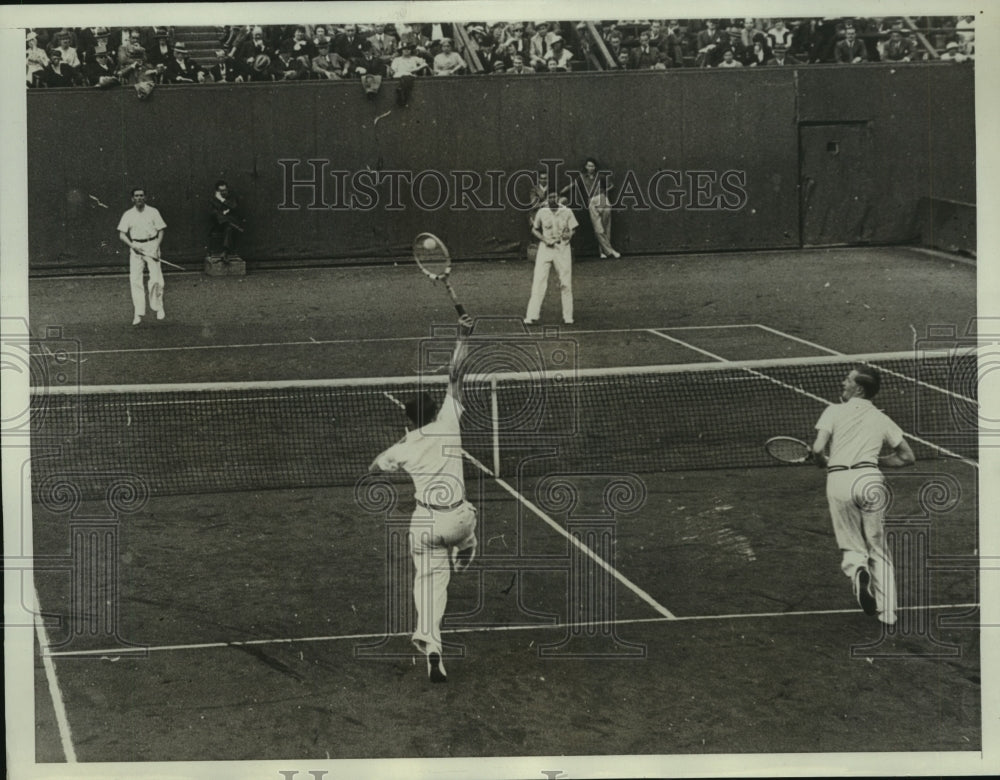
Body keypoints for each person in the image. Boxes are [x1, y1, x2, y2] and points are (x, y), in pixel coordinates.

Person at [369, 314, 478, 683]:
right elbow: (456, 376)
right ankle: (467, 546)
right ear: (434, 413)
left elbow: (374, 468)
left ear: (408, 421)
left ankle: (431, 643)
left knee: (429, 585)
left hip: (427, 525)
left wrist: (399, 450)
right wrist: (463, 335)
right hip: (458, 518)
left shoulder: (405, 446)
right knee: (468, 518)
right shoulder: (449, 421)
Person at [811, 365, 915, 627]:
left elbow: (817, 449)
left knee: (852, 544)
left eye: (847, 380)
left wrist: (823, 461)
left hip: (839, 481)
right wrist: (873, 462)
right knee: (878, 546)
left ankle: (858, 570)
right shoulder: (882, 418)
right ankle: (888, 612)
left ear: (858, 388)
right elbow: (907, 457)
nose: (842, 383)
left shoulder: (833, 411)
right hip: (870, 481)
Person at [524, 189, 578, 325]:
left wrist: (569, 235)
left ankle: (568, 317)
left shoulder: (567, 212)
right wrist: (544, 239)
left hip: (562, 249)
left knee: (565, 283)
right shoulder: (542, 212)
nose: (553, 201)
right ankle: (531, 316)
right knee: (539, 281)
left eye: (555, 198)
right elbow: (534, 229)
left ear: (559, 199)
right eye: (550, 199)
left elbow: (573, 228)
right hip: (545, 249)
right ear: (547, 200)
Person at [117, 187, 167, 325]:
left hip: (152, 245)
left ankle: (158, 307)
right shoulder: (128, 214)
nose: (139, 198)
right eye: (136, 196)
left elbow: (161, 230)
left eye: (141, 195)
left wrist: (156, 247)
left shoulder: (153, 212)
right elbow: (121, 235)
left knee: (157, 280)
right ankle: (138, 313)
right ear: (132, 199)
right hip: (136, 247)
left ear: (145, 197)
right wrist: (133, 246)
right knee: (135, 280)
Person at [561, 158, 622, 259]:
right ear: (585, 167)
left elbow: (611, 186)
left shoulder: (600, 177)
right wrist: (563, 191)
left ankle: (602, 251)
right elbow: (572, 185)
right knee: (598, 228)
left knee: (606, 227)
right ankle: (611, 251)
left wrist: (603, 191)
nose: (590, 168)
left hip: (603, 199)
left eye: (592, 166)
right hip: (592, 202)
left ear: (595, 167)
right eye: (589, 166)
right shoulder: (581, 178)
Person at [209, 180, 243, 263]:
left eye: (225, 190)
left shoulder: (232, 197)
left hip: (229, 224)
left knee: (229, 228)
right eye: (221, 191)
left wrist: (222, 200)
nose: (224, 192)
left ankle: (225, 252)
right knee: (218, 215)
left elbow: (234, 207)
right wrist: (224, 212)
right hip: (219, 224)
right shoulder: (213, 199)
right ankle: (229, 223)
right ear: (217, 191)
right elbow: (213, 213)